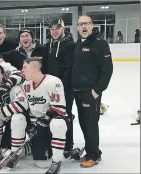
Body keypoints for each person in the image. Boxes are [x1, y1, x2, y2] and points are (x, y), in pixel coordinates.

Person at [0, 57, 69, 174]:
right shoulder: (26, 84)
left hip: (50, 122)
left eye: (25, 68)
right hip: (34, 123)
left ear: (34, 69)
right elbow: (23, 104)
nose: (22, 70)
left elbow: (59, 107)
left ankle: (56, 161)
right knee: (17, 117)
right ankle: (15, 153)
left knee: (42, 163)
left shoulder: (53, 82)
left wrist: (45, 119)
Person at [72, 15, 113, 168]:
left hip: (90, 92)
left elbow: (107, 69)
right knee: (83, 123)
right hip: (78, 90)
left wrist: (97, 90)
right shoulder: (78, 43)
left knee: (90, 124)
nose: (84, 26)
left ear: (92, 25)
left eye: (87, 23)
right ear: (77, 27)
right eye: (81, 24)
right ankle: (92, 151)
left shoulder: (99, 43)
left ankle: (94, 156)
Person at [44, 18, 76, 159]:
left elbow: (69, 69)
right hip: (50, 89)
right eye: (52, 29)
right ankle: (52, 144)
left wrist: (61, 88)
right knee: (50, 116)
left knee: (65, 116)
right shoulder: (49, 44)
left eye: (57, 28)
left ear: (63, 28)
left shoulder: (70, 45)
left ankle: (68, 145)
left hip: (65, 90)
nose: (54, 31)